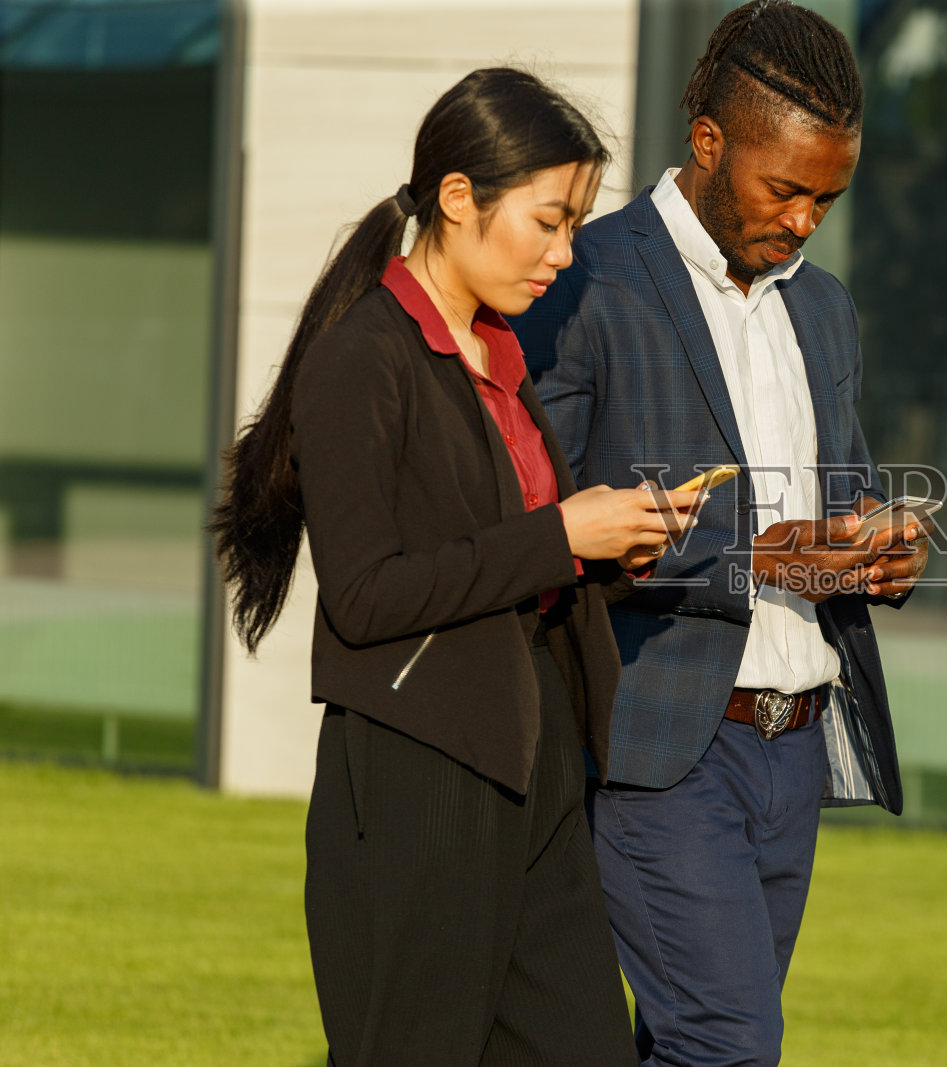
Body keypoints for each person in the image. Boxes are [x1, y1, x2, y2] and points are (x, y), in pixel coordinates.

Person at [209, 68, 697, 1066]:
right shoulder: (363, 360)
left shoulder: (500, 359)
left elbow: (506, 564)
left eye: (576, 226)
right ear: (459, 197)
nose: (565, 253)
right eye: (549, 221)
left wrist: (617, 544)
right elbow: (367, 592)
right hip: (419, 767)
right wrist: (563, 533)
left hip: (538, 758)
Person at [512, 5, 928, 1064]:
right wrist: (758, 555)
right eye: (783, 188)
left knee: (688, 1039)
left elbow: (842, 496)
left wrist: (880, 550)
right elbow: (544, 514)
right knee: (726, 1040)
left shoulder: (823, 309)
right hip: (661, 744)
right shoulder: (586, 282)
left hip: (793, 749)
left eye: (826, 200)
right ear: (708, 141)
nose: (802, 221)